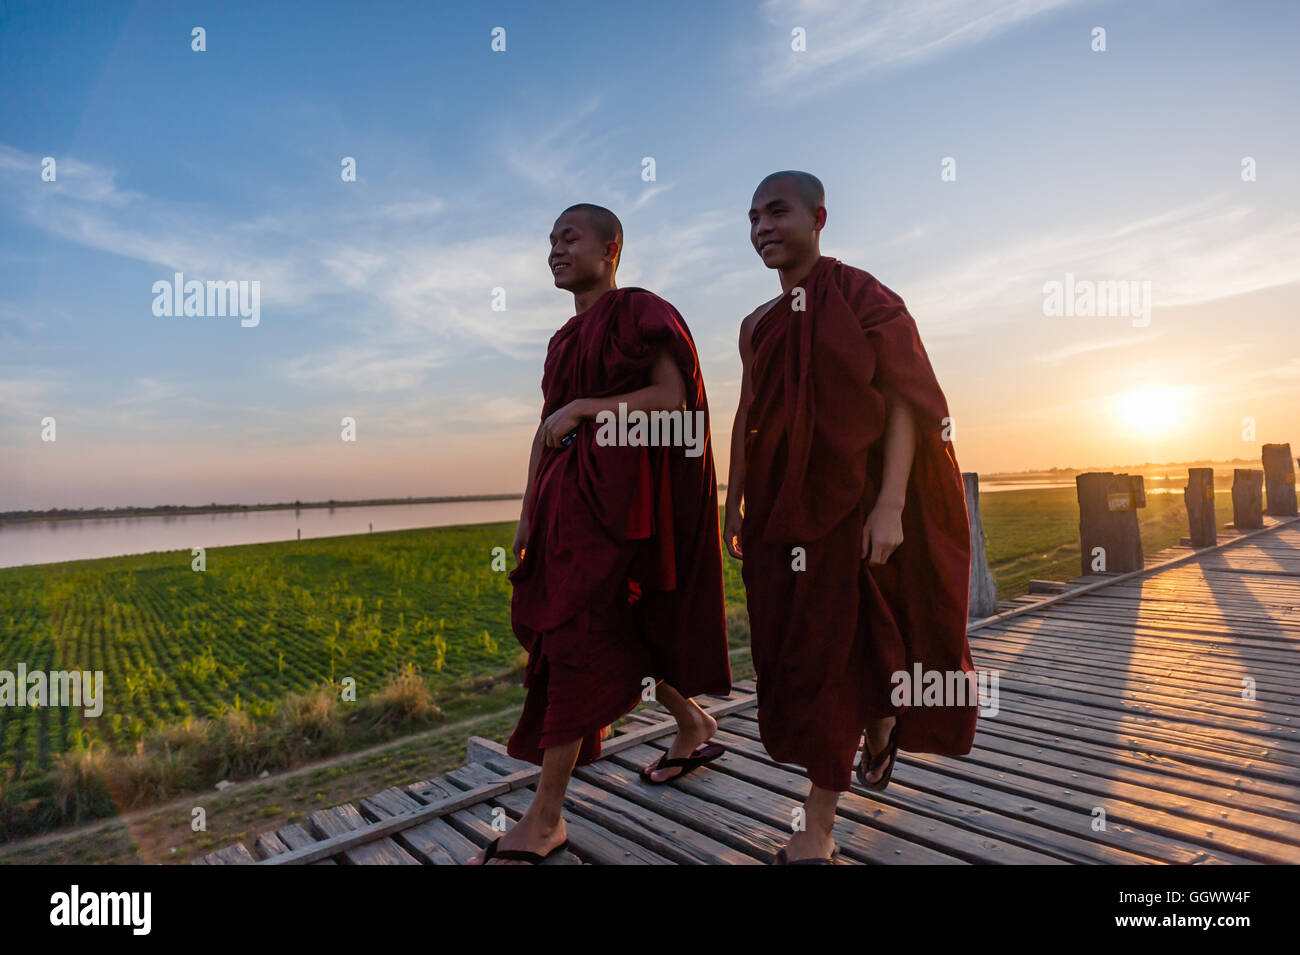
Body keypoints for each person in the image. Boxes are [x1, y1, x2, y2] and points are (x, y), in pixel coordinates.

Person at [724, 172, 978, 865]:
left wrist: (892, 505)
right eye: (752, 219)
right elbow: (749, 416)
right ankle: (878, 719)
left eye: (776, 212)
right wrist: (733, 501)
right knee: (806, 649)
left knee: (834, 652)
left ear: (819, 217)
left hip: (855, 506)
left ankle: (817, 827)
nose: (761, 228)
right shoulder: (757, 325)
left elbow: (907, 402)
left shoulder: (864, 297)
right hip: (784, 512)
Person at [472, 203, 732, 864]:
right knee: (615, 631)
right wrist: (528, 512)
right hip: (564, 514)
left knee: (577, 639)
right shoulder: (563, 340)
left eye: (569, 237)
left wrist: (589, 409)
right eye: (550, 240)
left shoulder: (640, 310)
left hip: (619, 513)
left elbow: (671, 402)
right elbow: (546, 429)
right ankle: (693, 723)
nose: (555, 250)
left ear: (610, 247)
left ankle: (546, 816)